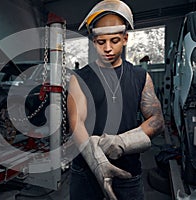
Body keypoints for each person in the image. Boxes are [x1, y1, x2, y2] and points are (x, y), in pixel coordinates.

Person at [67, 0, 165, 199]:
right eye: (101, 42)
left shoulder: (140, 76)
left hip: (127, 172)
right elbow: (76, 122)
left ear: (125, 39)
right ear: (94, 42)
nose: (108, 48)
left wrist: (121, 143)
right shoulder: (80, 78)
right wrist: (97, 163)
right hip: (86, 172)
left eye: (114, 41)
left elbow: (156, 120)